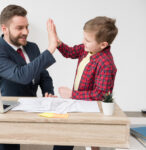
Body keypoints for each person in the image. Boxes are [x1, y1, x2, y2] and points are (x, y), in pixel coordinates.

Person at [0, 5, 58, 150]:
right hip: (8, 113)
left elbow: (44, 75)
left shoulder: (32, 47)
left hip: (33, 106)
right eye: (20, 28)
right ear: (4, 29)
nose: (25, 32)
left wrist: (47, 92)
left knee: (63, 135)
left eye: (27, 27)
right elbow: (22, 76)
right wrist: (51, 48)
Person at [49, 16, 118, 150]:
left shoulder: (105, 63)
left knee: (88, 137)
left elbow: (100, 94)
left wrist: (72, 94)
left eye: (87, 40)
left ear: (103, 44)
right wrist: (57, 42)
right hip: (79, 102)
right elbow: (69, 52)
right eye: (84, 38)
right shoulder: (87, 49)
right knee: (65, 135)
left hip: (92, 108)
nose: (83, 42)